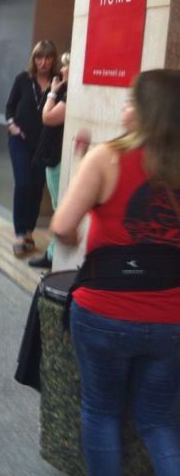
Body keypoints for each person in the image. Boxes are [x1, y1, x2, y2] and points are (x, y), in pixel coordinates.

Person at [51, 69, 180, 476]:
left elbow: (61, 225)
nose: (124, 108)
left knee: (101, 411)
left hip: (104, 310)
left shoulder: (107, 157)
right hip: (172, 316)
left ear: (144, 111)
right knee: (158, 421)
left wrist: (73, 238)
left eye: (130, 101)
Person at [5, 40, 56, 257]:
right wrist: (12, 126)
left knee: (36, 188)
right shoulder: (23, 79)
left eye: (48, 58)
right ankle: (19, 233)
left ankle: (28, 233)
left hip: (44, 145)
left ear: (53, 59)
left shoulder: (57, 82)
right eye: (39, 57)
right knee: (23, 183)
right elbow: (9, 107)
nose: (43, 62)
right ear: (34, 59)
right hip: (20, 140)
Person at [29, 52, 70, 270]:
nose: (62, 70)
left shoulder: (68, 93)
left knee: (58, 206)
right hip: (53, 154)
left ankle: (53, 254)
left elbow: (48, 117)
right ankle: (53, 252)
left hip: (57, 156)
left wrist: (53, 91)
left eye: (66, 65)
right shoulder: (66, 89)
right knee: (57, 204)